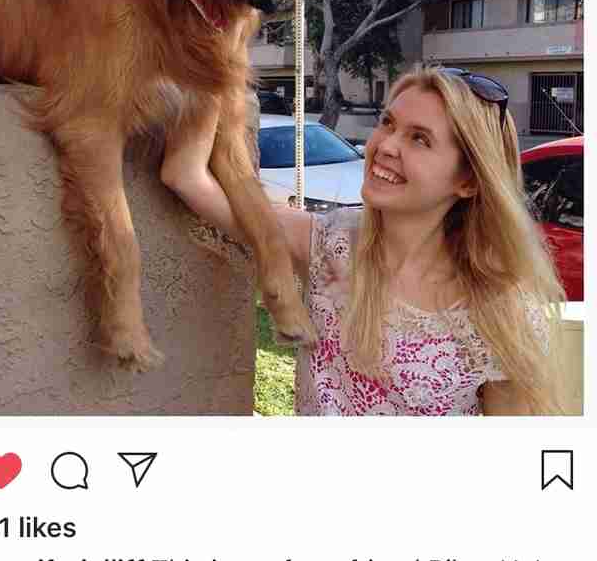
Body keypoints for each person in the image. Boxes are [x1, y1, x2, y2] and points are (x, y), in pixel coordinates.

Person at [162, 65, 566, 416]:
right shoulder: (327, 245)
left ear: (467, 181)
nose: (385, 146)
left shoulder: (502, 308)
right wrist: (217, 57)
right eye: (388, 123)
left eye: (420, 139)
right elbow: (185, 175)